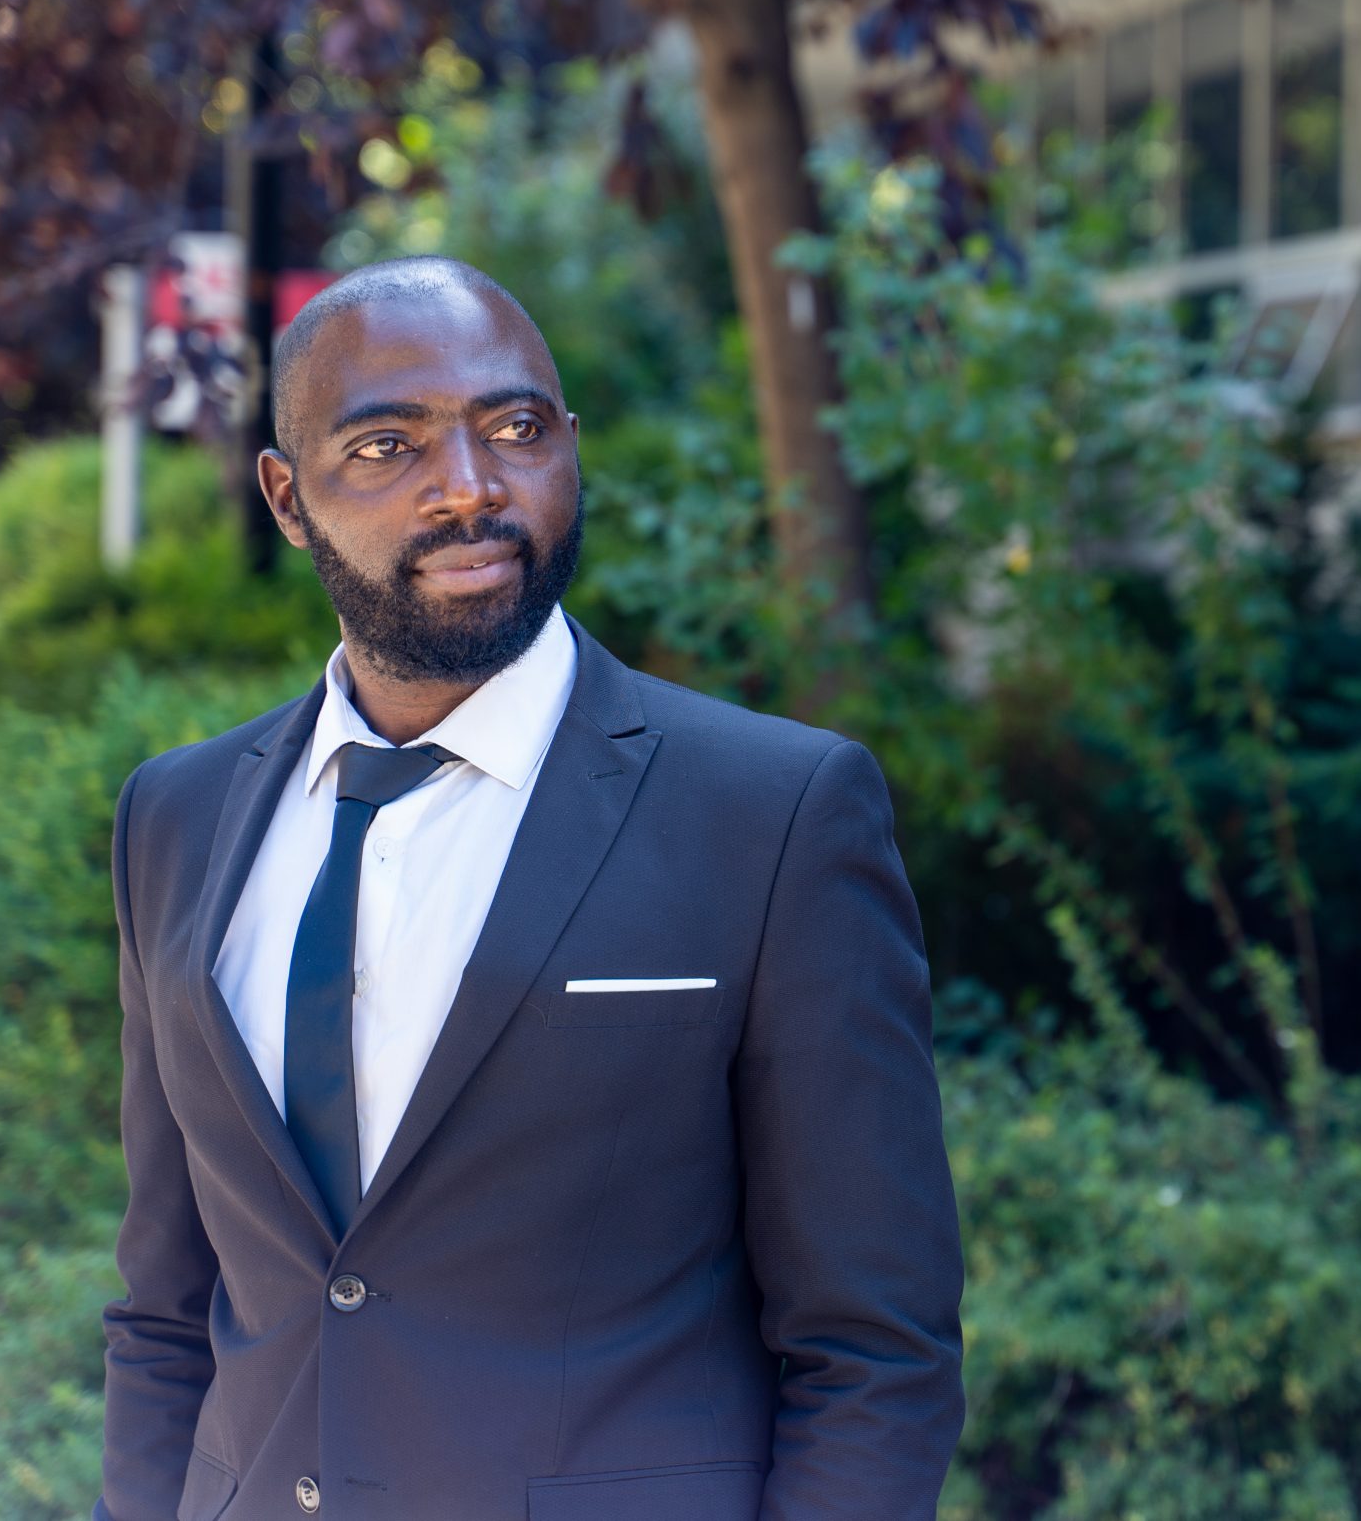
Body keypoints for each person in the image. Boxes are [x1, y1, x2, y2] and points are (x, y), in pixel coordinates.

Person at [95, 256, 964, 1521]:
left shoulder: (772, 815)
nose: (470, 488)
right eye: (388, 446)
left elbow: (874, 1349)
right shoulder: (172, 819)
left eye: (514, 429)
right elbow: (166, 1305)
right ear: (287, 499)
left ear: (570, 448)